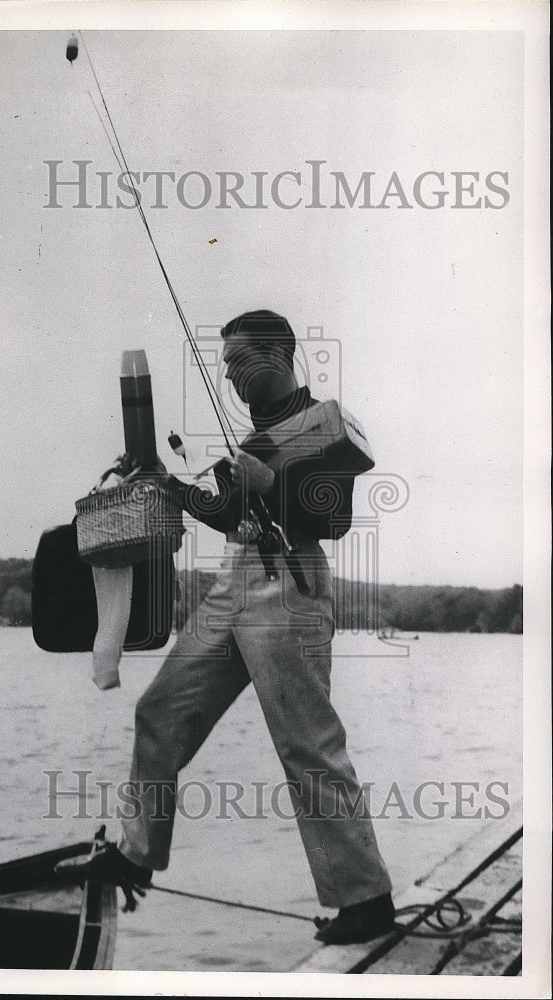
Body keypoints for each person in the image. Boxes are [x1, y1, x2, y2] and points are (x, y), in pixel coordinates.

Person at [57, 310, 395, 945]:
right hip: (235, 581)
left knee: (306, 743)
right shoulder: (254, 437)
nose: (231, 374)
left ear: (277, 353)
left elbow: (337, 520)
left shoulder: (326, 425)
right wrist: (170, 486)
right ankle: (136, 856)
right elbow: (226, 511)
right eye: (226, 363)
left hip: (290, 585)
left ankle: (366, 900)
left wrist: (275, 483)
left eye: (240, 359)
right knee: (159, 712)